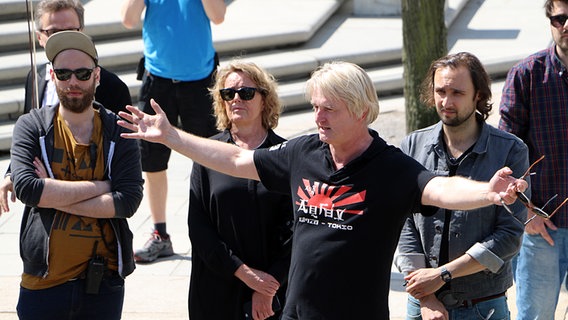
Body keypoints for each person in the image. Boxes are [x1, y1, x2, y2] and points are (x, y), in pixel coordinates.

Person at [117, 61, 527, 319]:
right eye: (315, 106)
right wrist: (173, 138)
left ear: (362, 111)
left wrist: (488, 193)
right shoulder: (305, 151)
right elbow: (238, 161)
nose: (318, 116)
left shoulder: (389, 167)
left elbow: (439, 190)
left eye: (329, 107)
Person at [10, 31, 144, 320]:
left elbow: (128, 201)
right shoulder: (31, 126)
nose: (73, 82)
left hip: (103, 284)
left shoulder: (119, 130)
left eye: (82, 74)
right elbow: (28, 190)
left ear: (97, 76)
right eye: (64, 73)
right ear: (52, 75)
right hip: (43, 282)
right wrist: (102, 186)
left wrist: (52, 194)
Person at [395, 52, 529, 320]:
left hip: (482, 305)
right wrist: (426, 295)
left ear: (478, 96)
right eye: (440, 91)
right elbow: (403, 223)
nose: (446, 101)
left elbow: (509, 236)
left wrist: (443, 274)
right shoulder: (412, 146)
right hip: (422, 304)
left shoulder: (510, 150)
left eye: (457, 92)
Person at [0, 0, 132, 215]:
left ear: (83, 32)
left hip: (98, 217)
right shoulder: (36, 76)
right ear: (39, 37)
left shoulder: (112, 87)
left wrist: (51, 192)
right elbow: (29, 136)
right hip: (44, 224)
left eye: (70, 30)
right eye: (53, 32)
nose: (62, 39)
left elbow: (124, 178)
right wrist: (11, 173)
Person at [120, 0, 226, 263]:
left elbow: (219, 16)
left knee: (211, 157)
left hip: (201, 79)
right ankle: (160, 234)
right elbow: (128, 19)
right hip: (158, 80)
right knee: (153, 162)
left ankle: (218, 232)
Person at [188, 61, 293, 320]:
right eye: (228, 93)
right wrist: (245, 274)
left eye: (246, 93)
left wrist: (268, 286)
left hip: (272, 295)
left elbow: (297, 230)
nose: (237, 99)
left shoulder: (286, 155)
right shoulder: (208, 153)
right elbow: (199, 228)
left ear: (264, 100)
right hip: (217, 288)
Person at [499, 0, 568, 318]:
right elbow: (505, 157)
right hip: (541, 226)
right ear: (550, 20)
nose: (567, 26)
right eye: (560, 18)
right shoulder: (526, 75)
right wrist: (526, 215)